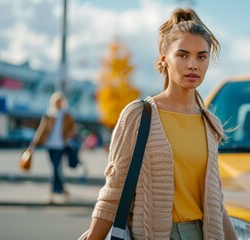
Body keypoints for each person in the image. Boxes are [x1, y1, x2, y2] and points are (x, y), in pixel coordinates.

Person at [84, 8, 237, 240]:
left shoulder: (210, 124)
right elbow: (114, 191)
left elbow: (215, 202)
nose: (193, 64)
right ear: (164, 58)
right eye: (183, 55)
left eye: (201, 56)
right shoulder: (139, 115)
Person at [29, 91, 76, 204]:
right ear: (53, 102)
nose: (58, 104)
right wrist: (34, 142)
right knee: (55, 169)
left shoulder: (66, 114)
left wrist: (68, 137)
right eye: (56, 102)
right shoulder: (49, 114)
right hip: (49, 145)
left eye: (60, 102)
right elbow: (42, 129)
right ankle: (63, 191)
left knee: (55, 169)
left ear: (63, 102)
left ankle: (51, 193)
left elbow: (73, 129)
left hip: (60, 146)